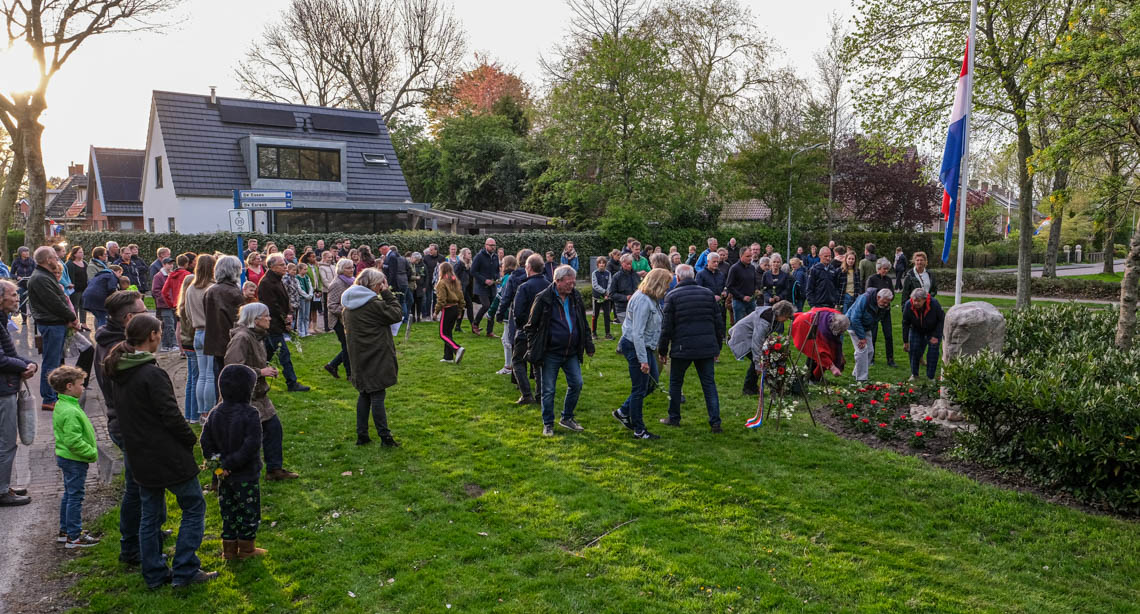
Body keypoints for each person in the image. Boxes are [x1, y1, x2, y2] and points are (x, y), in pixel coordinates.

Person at [105, 314, 217, 588]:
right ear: (153, 336)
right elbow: (170, 415)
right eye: (159, 332)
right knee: (193, 506)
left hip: (138, 451)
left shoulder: (119, 368)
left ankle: (154, 572)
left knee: (150, 513)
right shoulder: (150, 373)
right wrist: (190, 440)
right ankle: (185, 569)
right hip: (165, 452)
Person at [93, 290, 162, 563]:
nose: (151, 316)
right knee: (137, 487)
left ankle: (149, 531)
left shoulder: (110, 340)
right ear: (130, 318)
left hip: (125, 423)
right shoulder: (118, 350)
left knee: (141, 484)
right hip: (129, 426)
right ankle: (131, 547)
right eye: (145, 312)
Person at [224, 303, 299, 481]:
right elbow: (233, 367)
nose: (270, 318)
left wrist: (266, 368)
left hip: (259, 395)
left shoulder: (257, 336)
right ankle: (223, 475)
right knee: (240, 440)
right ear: (255, 319)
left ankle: (274, 470)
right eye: (266, 316)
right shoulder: (242, 338)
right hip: (244, 397)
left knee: (273, 429)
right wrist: (260, 372)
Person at [199, 364, 266, 561]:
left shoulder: (215, 412)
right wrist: (229, 464)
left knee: (228, 511)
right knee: (248, 511)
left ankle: (228, 550)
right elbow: (251, 445)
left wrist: (218, 465)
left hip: (223, 476)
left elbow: (205, 442)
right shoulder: (250, 413)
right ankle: (246, 549)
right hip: (245, 474)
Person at [524, 265, 595, 436]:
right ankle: (548, 423)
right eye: (569, 283)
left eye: (573, 283)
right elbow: (531, 326)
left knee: (577, 384)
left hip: (571, 352)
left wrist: (588, 344)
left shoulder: (575, 297)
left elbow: (582, 323)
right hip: (550, 353)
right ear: (557, 281)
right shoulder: (543, 298)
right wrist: (535, 347)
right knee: (548, 390)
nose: (572, 286)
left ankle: (567, 418)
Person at [657, 265, 724, 432]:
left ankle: (674, 417)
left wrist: (662, 350)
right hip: (706, 346)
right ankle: (715, 421)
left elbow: (666, 328)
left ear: (677, 278)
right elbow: (718, 323)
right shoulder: (708, 294)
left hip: (682, 347)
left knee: (676, 382)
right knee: (709, 384)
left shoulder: (671, 296)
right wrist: (718, 348)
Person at [341, 269, 404, 447]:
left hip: (358, 354)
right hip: (376, 353)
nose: (380, 288)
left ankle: (362, 434)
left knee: (365, 394)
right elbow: (396, 314)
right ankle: (385, 437)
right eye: (380, 285)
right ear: (373, 285)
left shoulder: (348, 304)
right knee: (377, 394)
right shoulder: (373, 304)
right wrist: (387, 294)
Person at [612, 269, 670, 439]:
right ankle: (639, 429)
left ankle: (623, 411)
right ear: (658, 283)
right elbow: (637, 333)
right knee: (640, 388)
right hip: (636, 346)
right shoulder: (643, 301)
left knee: (652, 383)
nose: (667, 288)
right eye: (666, 284)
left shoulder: (652, 299)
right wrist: (642, 360)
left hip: (646, 346)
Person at [49, 366, 99, 548]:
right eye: (81, 384)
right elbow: (73, 440)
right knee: (76, 496)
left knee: (69, 494)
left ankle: (65, 531)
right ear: (69, 386)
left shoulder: (64, 404)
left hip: (66, 457)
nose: (83, 387)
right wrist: (91, 452)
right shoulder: (70, 411)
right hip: (74, 459)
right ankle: (74, 536)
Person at [27, 246, 78, 411]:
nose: (57, 260)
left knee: (55, 361)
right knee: (51, 362)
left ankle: (53, 395)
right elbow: (55, 303)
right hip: (51, 324)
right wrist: (72, 317)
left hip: (56, 323)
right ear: (48, 260)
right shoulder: (40, 278)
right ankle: (48, 398)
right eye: (55, 257)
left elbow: (59, 299)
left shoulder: (45, 276)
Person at [0, 280, 35, 506]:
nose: (17, 298)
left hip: (7, 386)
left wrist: (29, 363)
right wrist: (23, 366)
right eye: (13, 295)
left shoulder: (2, 320)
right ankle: (2, 491)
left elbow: (7, 353)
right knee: (6, 442)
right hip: (3, 391)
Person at [257, 254, 308, 392]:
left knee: (266, 354)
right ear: (272, 267)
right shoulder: (266, 283)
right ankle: (292, 382)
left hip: (278, 323)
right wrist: (285, 319)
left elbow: (285, 300)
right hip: (272, 325)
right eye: (281, 265)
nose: (285, 267)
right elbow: (272, 306)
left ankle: (253, 376)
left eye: (285, 264)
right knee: (283, 354)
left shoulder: (278, 280)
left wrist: (290, 314)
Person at [728, 301, 794, 395]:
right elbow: (757, 342)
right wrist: (758, 364)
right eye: (787, 316)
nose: (787, 319)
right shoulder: (764, 320)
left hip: (748, 337)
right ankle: (748, 389)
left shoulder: (772, 315)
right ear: (781, 313)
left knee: (760, 361)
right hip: (741, 338)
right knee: (757, 362)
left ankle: (752, 387)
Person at [204, 256, 244, 399]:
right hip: (231, 340)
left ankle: (221, 407)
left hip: (215, 341)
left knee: (219, 379)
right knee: (235, 379)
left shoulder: (211, 290)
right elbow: (240, 319)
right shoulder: (233, 292)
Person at [511, 254, 548, 405]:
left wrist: (521, 326)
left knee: (517, 361)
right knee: (538, 363)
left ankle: (526, 394)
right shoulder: (549, 285)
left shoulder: (524, 287)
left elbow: (518, 312)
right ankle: (540, 395)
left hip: (526, 330)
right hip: (544, 331)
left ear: (529, 268)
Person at [845, 287, 894, 382]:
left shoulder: (883, 305)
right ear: (878, 297)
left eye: (888, 302)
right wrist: (861, 337)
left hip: (866, 327)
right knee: (862, 350)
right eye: (884, 302)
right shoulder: (864, 299)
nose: (886, 304)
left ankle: (856, 372)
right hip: (853, 325)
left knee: (870, 351)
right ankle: (861, 378)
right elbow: (855, 318)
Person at [791, 307, 849, 382]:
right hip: (803, 326)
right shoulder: (823, 333)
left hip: (813, 319)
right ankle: (811, 378)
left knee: (826, 351)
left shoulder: (838, 316)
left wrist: (840, 354)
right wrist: (832, 367)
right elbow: (821, 352)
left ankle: (812, 376)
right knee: (814, 352)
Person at [902, 288, 945, 380]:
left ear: (925, 300)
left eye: (919, 301)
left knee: (933, 352)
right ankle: (914, 374)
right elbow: (905, 323)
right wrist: (905, 341)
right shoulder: (908, 305)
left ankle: (930, 377)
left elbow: (941, 320)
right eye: (914, 301)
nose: (916, 303)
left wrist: (936, 336)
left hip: (933, 330)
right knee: (913, 350)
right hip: (916, 329)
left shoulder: (934, 304)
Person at [323, 259, 355, 379]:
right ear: (341, 269)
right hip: (338, 320)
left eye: (352, 267)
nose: (351, 270)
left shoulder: (352, 281)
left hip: (348, 319)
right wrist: (347, 309)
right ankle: (350, 374)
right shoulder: (337, 283)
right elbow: (331, 306)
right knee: (347, 346)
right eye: (348, 268)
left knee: (350, 345)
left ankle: (332, 365)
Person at [864, 258, 898, 367]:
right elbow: (869, 293)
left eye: (887, 269)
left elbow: (892, 294)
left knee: (888, 335)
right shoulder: (872, 279)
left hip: (886, 310)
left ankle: (890, 359)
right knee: (872, 335)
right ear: (878, 268)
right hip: (874, 311)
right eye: (884, 269)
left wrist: (887, 301)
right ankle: (871, 358)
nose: (886, 271)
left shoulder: (888, 280)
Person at [900, 251, 938, 343]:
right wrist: (904, 308)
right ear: (914, 261)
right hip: (915, 306)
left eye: (922, 260)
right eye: (917, 260)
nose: (919, 262)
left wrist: (928, 297)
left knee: (927, 329)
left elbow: (934, 289)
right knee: (915, 331)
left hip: (928, 306)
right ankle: (915, 352)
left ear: (925, 262)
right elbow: (905, 293)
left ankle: (921, 354)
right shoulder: (909, 275)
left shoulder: (930, 274)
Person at [433, 262, 466, 364]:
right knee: (448, 333)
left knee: (442, 333)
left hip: (448, 309)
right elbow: (461, 297)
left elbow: (441, 300)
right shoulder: (455, 281)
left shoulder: (441, 283)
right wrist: (460, 310)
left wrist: (436, 312)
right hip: (455, 309)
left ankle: (457, 348)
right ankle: (448, 357)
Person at [83, 250, 119, 329]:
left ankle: (99, 334)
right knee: (102, 318)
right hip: (98, 298)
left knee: (100, 318)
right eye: (105, 254)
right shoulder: (111, 275)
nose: (107, 256)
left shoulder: (104, 273)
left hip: (89, 296)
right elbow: (112, 289)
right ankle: (102, 336)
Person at [696, 252, 728, 331]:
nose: (716, 264)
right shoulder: (700, 275)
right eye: (714, 262)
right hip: (707, 305)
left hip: (720, 305)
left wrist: (725, 292)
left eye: (717, 262)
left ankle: (722, 336)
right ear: (708, 262)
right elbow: (698, 290)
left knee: (721, 320)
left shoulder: (721, 274)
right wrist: (712, 297)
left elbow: (725, 286)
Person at [726, 248, 758, 323]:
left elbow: (754, 282)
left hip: (751, 300)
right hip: (739, 302)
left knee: (753, 322)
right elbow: (729, 286)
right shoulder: (734, 268)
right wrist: (742, 297)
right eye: (747, 256)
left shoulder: (752, 268)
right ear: (741, 256)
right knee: (739, 324)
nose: (750, 258)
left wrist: (756, 290)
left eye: (751, 256)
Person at [152, 257, 177, 352]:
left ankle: (167, 345)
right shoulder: (158, 276)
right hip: (164, 305)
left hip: (172, 304)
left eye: (172, 264)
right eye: (169, 264)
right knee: (168, 325)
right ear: (164, 265)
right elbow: (155, 291)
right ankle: (171, 344)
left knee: (171, 324)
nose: (171, 265)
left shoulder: (172, 275)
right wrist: (166, 299)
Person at [607, 254, 638, 324]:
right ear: (622, 263)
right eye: (627, 264)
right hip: (622, 309)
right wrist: (625, 297)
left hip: (635, 308)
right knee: (627, 330)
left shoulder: (636, 275)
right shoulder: (616, 277)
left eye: (630, 263)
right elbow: (612, 294)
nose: (629, 266)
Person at [590, 257, 613, 340]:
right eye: (600, 263)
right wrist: (604, 291)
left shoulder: (608, 273)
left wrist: (607, 292)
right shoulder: (594, 273)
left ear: (605, 265)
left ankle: (608, 333)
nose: (602, 265)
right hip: (596, 298)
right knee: (595, 315)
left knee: (607, 315)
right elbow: (595, 285)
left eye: (603, 263)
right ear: (597, 265)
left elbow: (610, 283)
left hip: (606, 298)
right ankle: (594, 333)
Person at [66, 246, 88, 326]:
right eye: (80, 252)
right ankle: (75, 323)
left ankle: (84, 323)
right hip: (75, 290)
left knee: (83, 306)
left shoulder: (85, 263)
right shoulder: (70, 264)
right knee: (74, 306)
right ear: (74, 254)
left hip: (84, 288)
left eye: (82, 252)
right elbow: (68, 276)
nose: (82, 253)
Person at [318, 251, 337, 331]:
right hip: (327, 291)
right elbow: (324, 279)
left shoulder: (333, 266)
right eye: (328, 257)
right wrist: (331, 287)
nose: (330, 259)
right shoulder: (321, 267)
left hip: (334, 290)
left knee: (334, 308)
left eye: (331, 257)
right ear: (324, 258)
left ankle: (333, 325)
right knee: (326, 309)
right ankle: (327, 327)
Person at [295, 262, 314, 337]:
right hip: (302, 298)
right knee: (301, 315)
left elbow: (310, 286)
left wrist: (310, 294)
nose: (306, 271)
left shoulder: (307, 277)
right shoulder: (297, 278)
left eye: (306, 269)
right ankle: (301, 332)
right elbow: (299, 288)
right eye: (304, 269)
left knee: (307, 315)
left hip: (308, 298)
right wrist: (306, 295)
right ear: (299, 270)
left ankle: (306, 331)